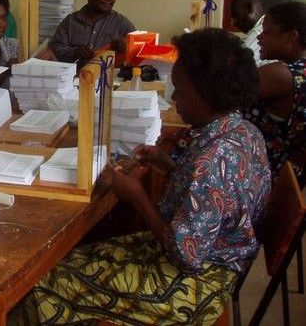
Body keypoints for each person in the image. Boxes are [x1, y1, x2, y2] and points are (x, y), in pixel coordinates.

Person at [19, 28, 270, 325]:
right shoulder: (243, 132)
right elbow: (218, 202)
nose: (174, 97)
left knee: (45, 284)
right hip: (216, 258)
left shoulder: (212, 159)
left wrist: (136, 195)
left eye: (180, 90)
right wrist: (173, 168)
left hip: (194, 284)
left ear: (208, 96)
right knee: (70, 259)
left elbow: (185, 256)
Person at [243, 1, 306, 187]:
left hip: (269, 182)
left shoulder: (282, 75)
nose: (260, 38)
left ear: (291, 36)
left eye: (267, 32)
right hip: (291, 180)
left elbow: (216, 91)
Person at [49, 0, 135, 66]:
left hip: (109, 78)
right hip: (75, 78)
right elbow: (55, 48)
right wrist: (74, 52)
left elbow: (140, 47)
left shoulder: (121, 22)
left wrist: (127, 46)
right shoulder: (71, 21)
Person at [231, 0, 268, 65]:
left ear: (248, 9)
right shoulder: (266, 26)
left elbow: (236, 67)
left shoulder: (259, 32)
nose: (233, 23)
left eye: (236, 16)